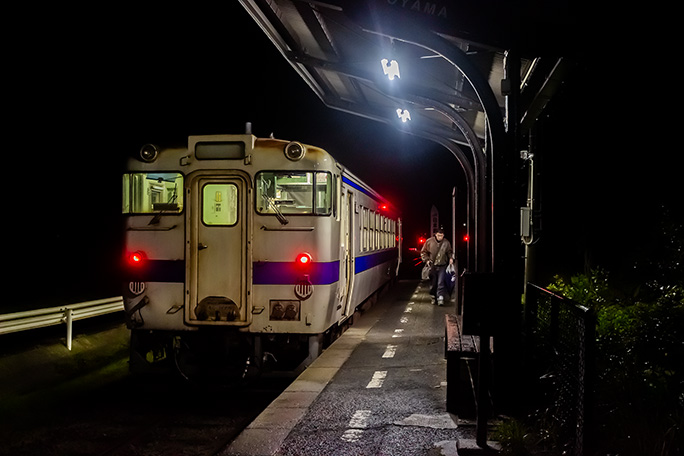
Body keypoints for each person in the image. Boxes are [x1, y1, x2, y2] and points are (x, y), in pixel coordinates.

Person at [420, 228, 454, 305]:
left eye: (441, 236)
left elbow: (449, 252)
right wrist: (427, 260)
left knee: (440, 282)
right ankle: (433, 296)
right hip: (432, 265)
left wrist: (451, 258)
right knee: (433, 282)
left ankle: (440, 297)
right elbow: (423, 252)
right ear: (435, 235)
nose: (440, 237)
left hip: (442, 265)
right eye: (438, 235)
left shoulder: (446, 243)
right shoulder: (429, 241)